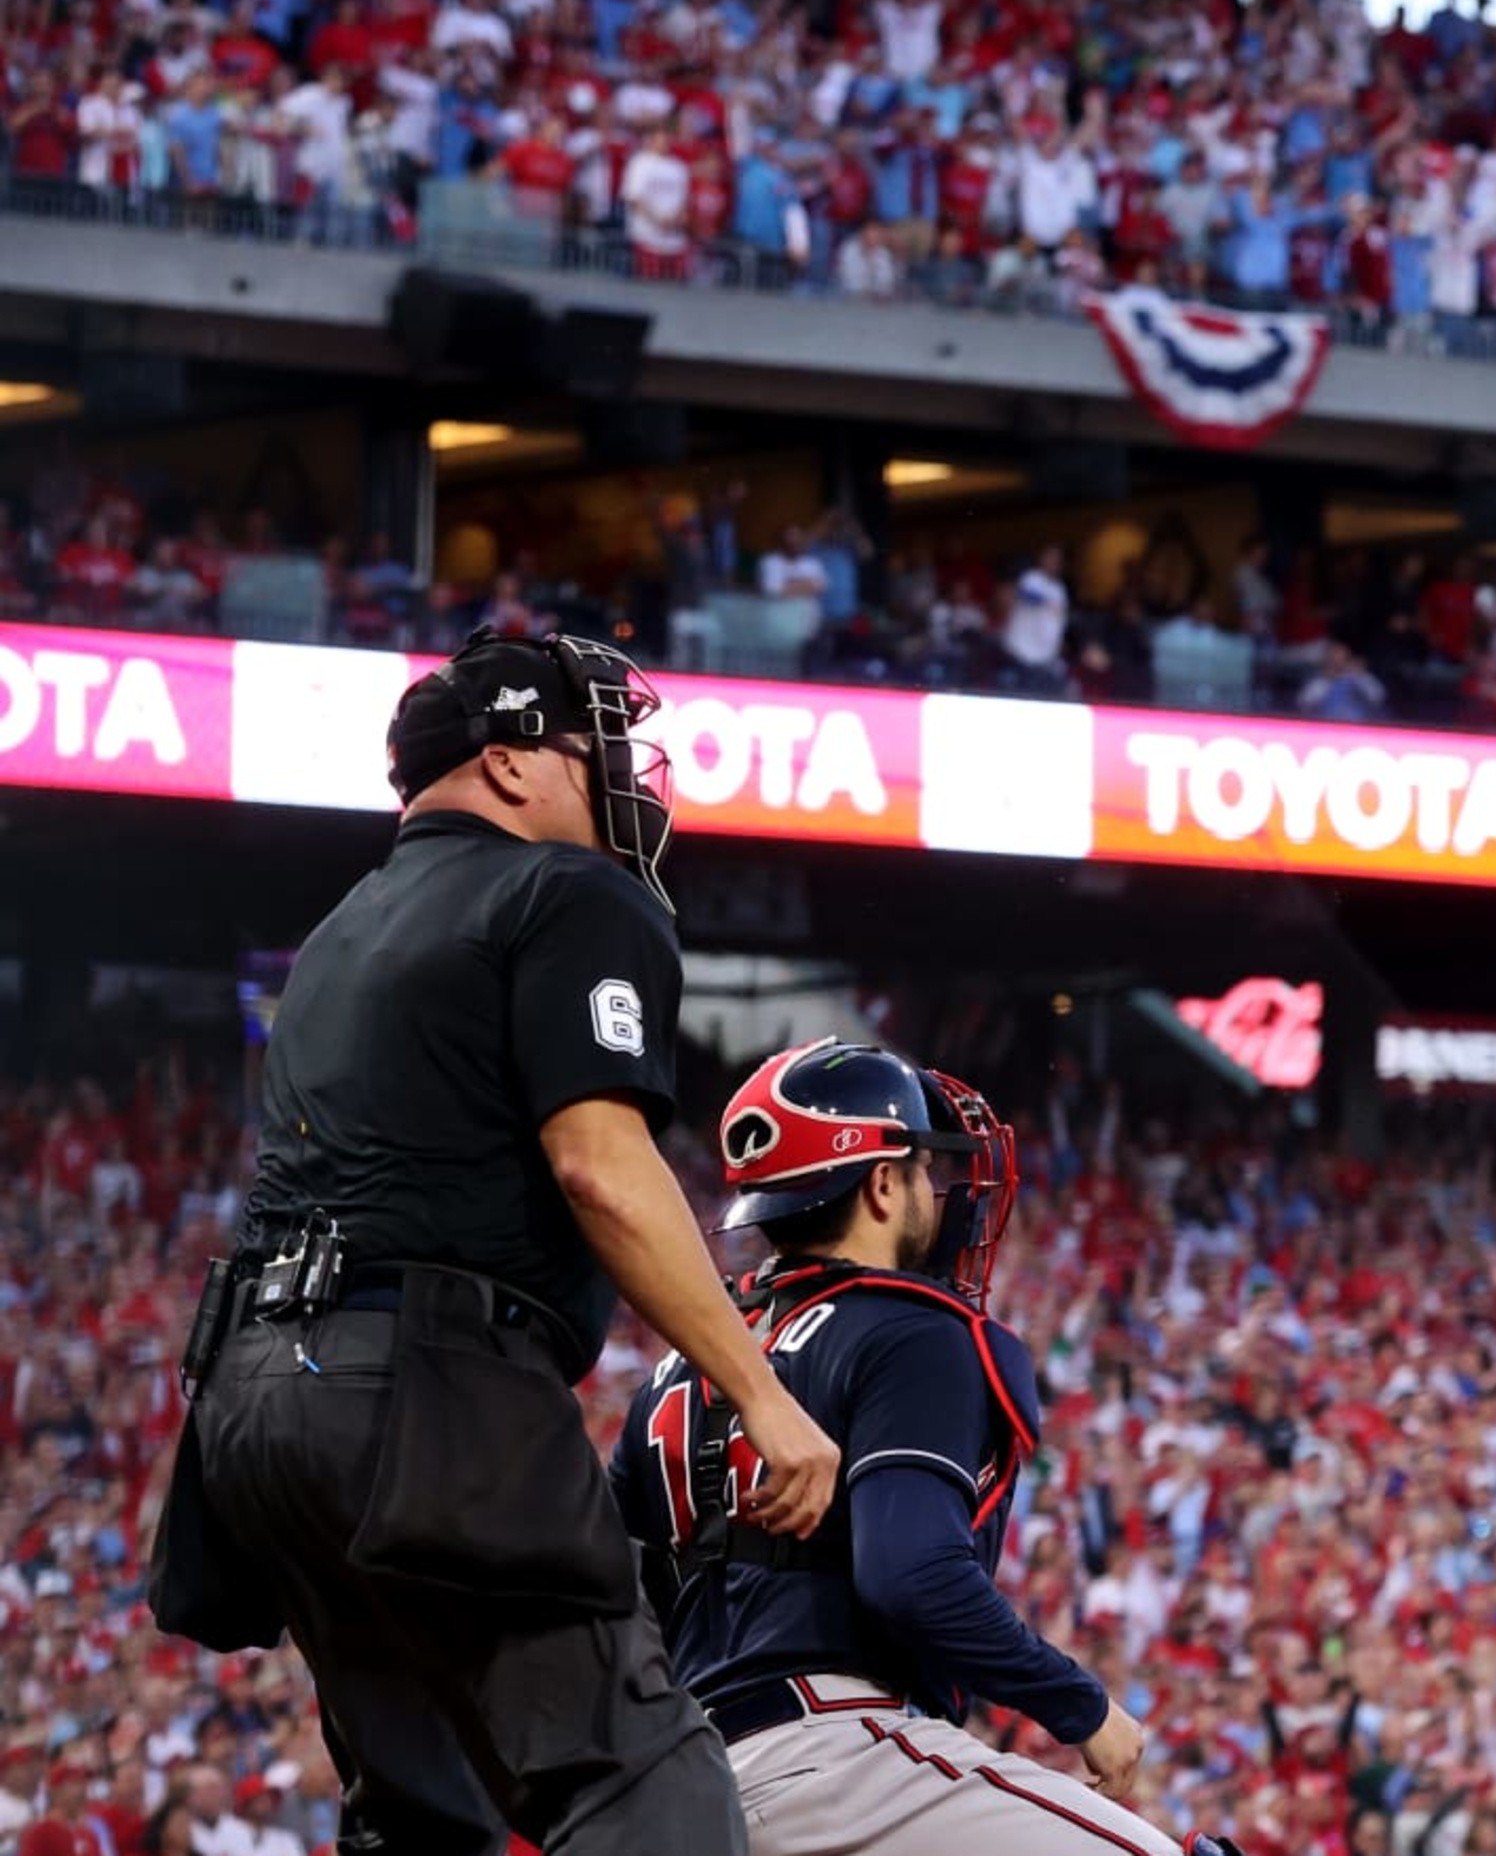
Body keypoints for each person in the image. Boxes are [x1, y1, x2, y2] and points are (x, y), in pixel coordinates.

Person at [151, 632, 841, 1856]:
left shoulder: (342, 925)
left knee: (424, 1815)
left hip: (256, 1403)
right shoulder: (570, 890)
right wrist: (760, 1391)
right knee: (645, 1779)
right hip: (421, 1388)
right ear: (514, 761)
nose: (625, 771)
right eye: (598, 744)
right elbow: (600, 1166)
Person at [615, 1039, 1217, 1856]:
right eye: (925, 1169)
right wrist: (1082, 1706)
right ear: (882, 1181)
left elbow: (624, 1597)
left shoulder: (679, 1365)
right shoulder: (911, 1329)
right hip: (835, 1750)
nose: (941, 1192)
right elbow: (912, 1574)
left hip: (683, 1782)